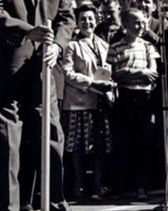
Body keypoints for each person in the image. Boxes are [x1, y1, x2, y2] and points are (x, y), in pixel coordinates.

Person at [0, 0, 75, 210]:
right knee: (7, 145)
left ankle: (54, 202)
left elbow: (66, 17)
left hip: (42, 71)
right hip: (4, 72)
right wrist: (28, 31)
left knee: (51, 137)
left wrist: (58, 45)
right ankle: (11, 206)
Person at [61, 3, 115, 200]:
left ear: (97, 19)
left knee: (99, 146)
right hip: (79, 102)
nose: (87, 22)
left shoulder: (103, 44)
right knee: (78, 148)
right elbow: (68, 73)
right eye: (83, 19)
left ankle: (98, 186)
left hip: (100, 102)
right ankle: (79, 185)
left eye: (90, 18)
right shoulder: (72, 45)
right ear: (77, 22)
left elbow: (108, 70)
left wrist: (109, 87)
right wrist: (92, 83)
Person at [107, 8, 160, 200]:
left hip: (144, 99)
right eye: (136, 23)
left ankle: (142, 186)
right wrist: (138, 71)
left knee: (144, 142)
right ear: (126, 25)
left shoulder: (148, 47)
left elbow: (152, 73)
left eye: (142, 22)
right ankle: (120, 185)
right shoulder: (115, 47)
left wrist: (128, 72)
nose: (141, 26)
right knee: (123, 141)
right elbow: (114, 74)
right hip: (125, 98)